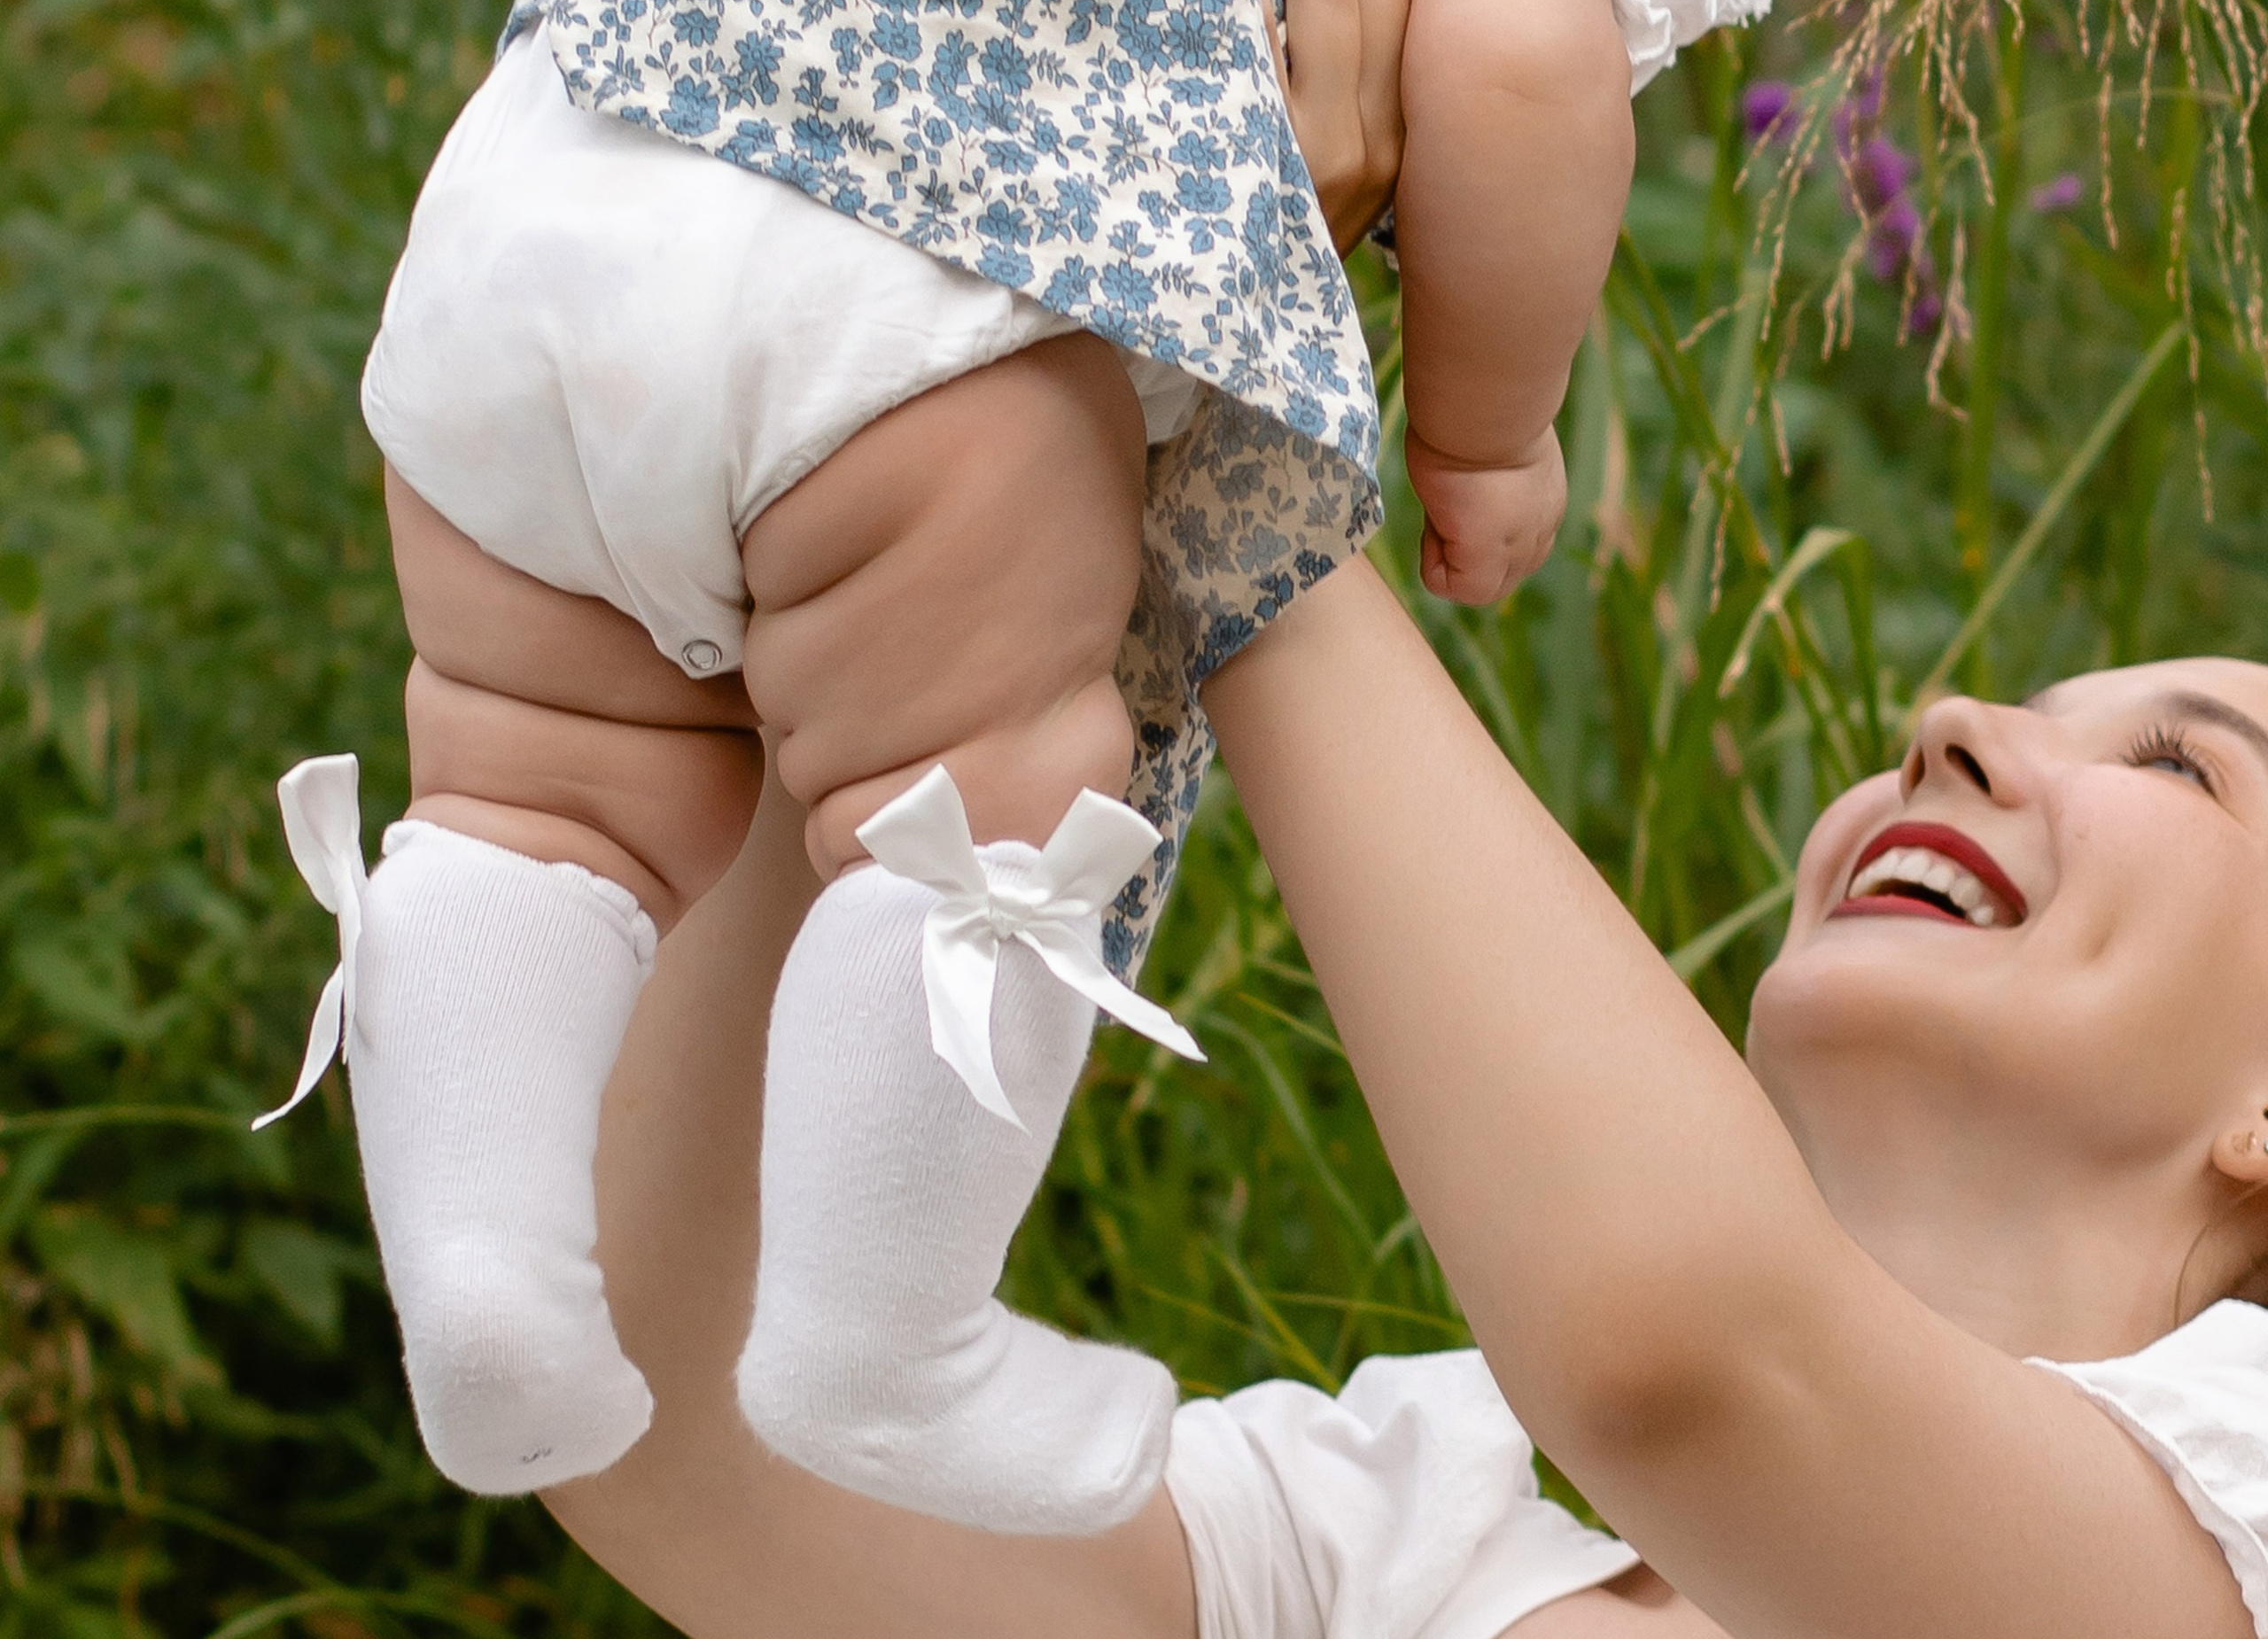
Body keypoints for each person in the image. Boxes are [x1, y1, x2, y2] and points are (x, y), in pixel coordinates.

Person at [258, 0, 1854, 1533]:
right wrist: (1489, 423)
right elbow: (1514, 56)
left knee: (532, 776)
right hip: (886, 302)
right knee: (977, 797)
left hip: (538, 192)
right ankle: (879, 1335)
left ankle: (481, 1273)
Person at [529, 567, 2268, 1639]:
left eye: (2175, 761)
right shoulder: (1416, 1509)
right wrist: (893, 602)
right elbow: (670, 1425)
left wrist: (1244, 501)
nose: (1944, 722)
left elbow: (1690, 1354)